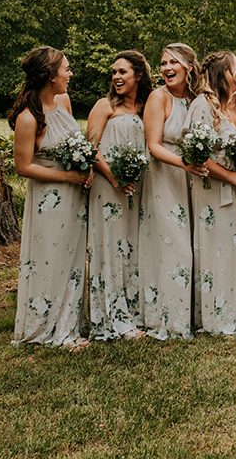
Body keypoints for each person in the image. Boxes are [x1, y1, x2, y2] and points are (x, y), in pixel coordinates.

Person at [9, 47, 91, 351]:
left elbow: (75, 142)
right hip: (49, 200)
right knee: (49, 260)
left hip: (75, 197)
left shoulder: (64, 102)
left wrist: (86, 167)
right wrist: (68, 177)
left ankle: (69, 324)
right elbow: (24, 166)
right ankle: (45, 326)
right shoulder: (29, 118)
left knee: (71, 260)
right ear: (49, 75)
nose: (70, 75)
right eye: (66, 70)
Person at [185, 51, 236, 336]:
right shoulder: (203, 105)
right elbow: (195, 154)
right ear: (224, 72)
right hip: (216, 190)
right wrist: (231, 176)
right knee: (220, 249)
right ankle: (219, 315)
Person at [86, 51, 152, 341]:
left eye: (122, 71)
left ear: (138, 75)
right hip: (107, 187)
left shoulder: (145, 107)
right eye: (114, 72)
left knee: (132, 248)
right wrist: (113, 177)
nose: (116, 77)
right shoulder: (105, 106)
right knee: (110, 248)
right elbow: (89, 147)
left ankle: (133, 311)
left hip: (136, 190)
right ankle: (111, 317)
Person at [140, 43, 204, 339]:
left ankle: (194, 314)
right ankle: (169, 317)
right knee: (174, 245)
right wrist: (184, 163)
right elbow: (153, 145)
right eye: (163, 63)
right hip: (166, 176)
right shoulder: (158, 97)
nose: (166, 68)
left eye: (173, 62)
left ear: (189, 67)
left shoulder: (198, 99)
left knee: (194, 244)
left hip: (195, 180)